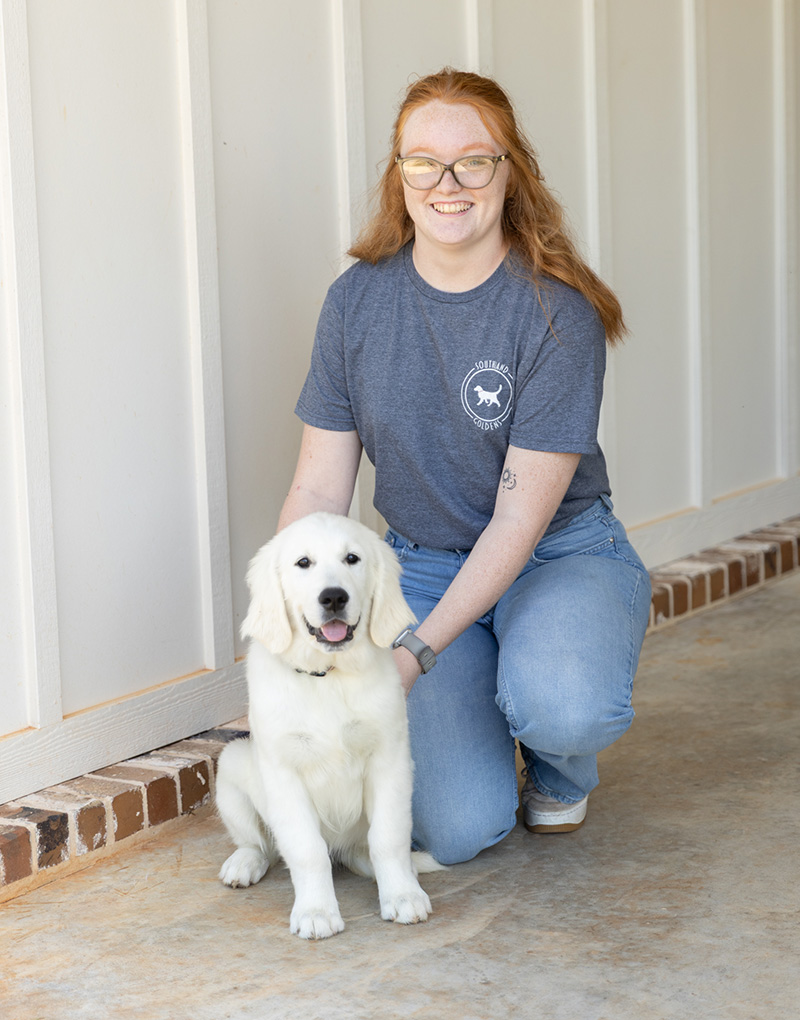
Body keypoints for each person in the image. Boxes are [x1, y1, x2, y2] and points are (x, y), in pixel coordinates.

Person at [278, 67, 651, 866]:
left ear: (510, 172)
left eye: (473, 161)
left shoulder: (555, 311)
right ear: (399, 175)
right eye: (424, 163)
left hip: (556, 554)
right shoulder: (355, 303)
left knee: (563, 706)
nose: (447, 184)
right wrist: (294, 617)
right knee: (456, 829)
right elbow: (318, 488)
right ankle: (490, 703)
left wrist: (412, 654)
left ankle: (555, 762)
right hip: (422, 564)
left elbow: (517, 523)